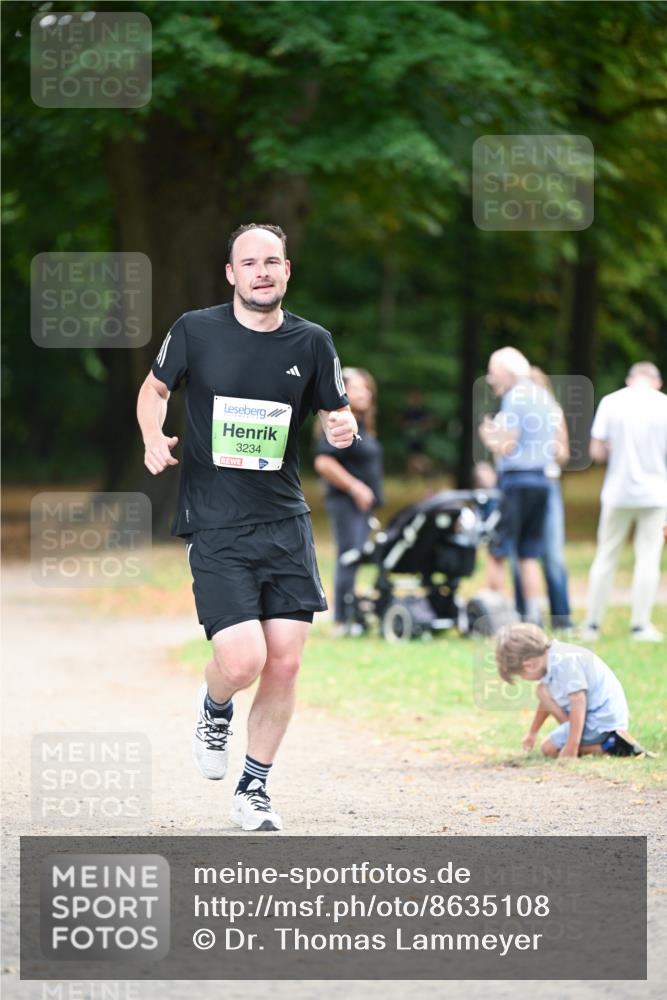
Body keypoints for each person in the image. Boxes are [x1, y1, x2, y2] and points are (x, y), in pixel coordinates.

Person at [136, 223, 356, 832]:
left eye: (274, 261)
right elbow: (153, 391)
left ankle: (253, 788)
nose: (263, 271)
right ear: (231, 274)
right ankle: (215, 706)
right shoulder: (194, 330)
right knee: (242, 660)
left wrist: (343, 429)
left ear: (288, 272)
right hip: (215, 522)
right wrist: (153, 436)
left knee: (284, 662)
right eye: (250, 262)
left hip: (285, 521)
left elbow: (338, 415)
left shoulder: (313, 342)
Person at [581, 361, 667, 643]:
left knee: (606, 555)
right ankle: (640, 624)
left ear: (630, 380)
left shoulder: (611, 402)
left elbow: (597, 452)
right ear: (657, 382)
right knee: (648, 558)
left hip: (617, 492)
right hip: (655, 492)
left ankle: (592, 623)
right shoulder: (663, 405)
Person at [479, 347, 563, 625]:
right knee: (529, 553)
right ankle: (534, 616)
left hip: (515, 481)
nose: (491, 380)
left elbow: (507, 445)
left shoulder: (515, 397)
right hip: (541, 480)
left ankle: (493, 616)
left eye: (493, 373)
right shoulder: (543, 395)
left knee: (498, 549)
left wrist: (489, 435)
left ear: (506, 371)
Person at [495, 623, 641, 759]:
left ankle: (611, 746)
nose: (524, 678)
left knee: (548, 748)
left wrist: (572, 746)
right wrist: (532, 733)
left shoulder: (565, 663)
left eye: (521, 675)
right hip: (592, 717)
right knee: (542, 691)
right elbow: (546, 701)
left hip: (601, 720)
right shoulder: (553, 656)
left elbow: (578, 700)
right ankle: (580, 739)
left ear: (529, 665)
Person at [313, 367, 383, 634]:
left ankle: (353, 615)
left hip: (363, 507)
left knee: (357, 558)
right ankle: (341, 621)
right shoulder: (340, 423)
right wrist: (355, 488)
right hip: (345, 504)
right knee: (349, 557)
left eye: (367, 388)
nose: (364, 393)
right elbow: (323, 461)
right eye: (357, 388)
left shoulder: (363, 425)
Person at [512, 367, 573, 629]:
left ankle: (562, 618)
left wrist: (549, 446)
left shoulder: (552, 412)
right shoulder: (513, 412)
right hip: (522, 486)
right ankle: (524, 615)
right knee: (520, 554)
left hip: (547, 485)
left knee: (553, 555)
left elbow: (564, 454)